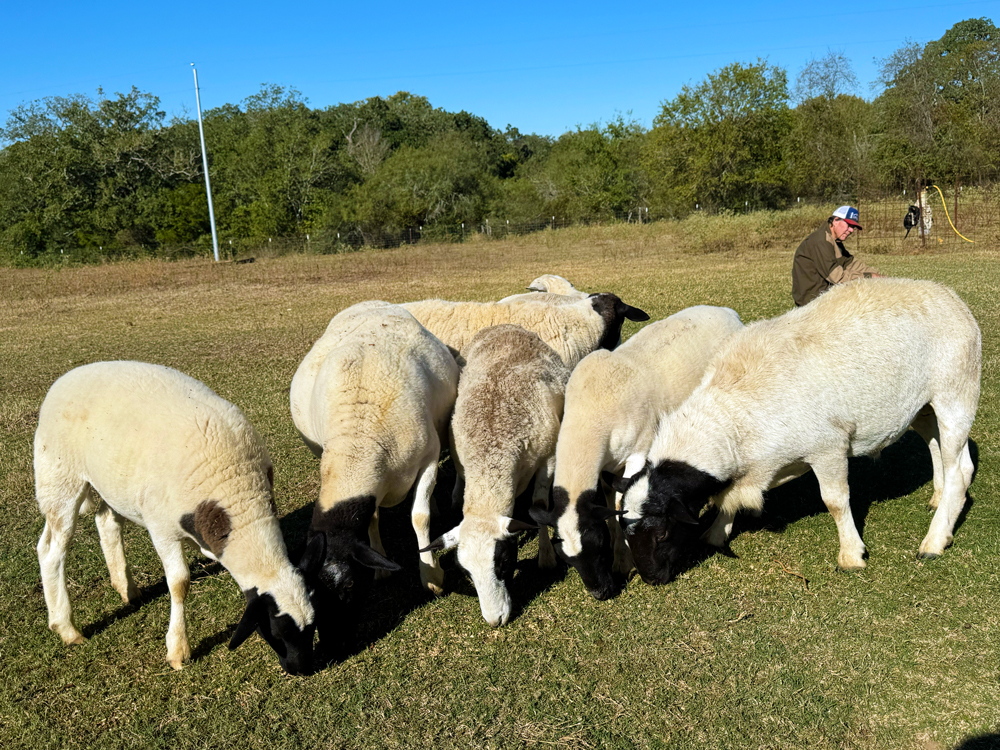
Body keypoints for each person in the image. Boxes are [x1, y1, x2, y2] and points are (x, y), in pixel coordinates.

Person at [791, 205, 882, 307]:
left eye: (853, 227)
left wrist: (877, 275)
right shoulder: (821, 241)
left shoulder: (835, 240)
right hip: (812, 303)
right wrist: (869, 277)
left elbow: (850, 263)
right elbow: (837, 277)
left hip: (825, 295)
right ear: (835, 221)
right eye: (849, 225)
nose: (851, 230)